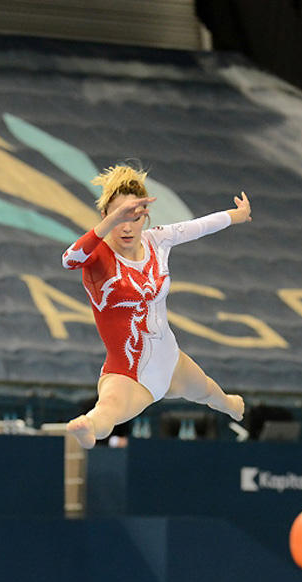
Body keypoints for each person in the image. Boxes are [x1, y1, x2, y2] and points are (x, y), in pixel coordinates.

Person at [62, 164, 248, 449]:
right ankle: (87, 428)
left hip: (170, 359)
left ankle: (231, 405)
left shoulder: (157, 240)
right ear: (106, 217)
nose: (126, 226)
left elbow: (197, 227)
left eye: (134, 218)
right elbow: (69, 259)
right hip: (129, 373)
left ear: (144, 216)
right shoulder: (98, 255)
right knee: (107, 410)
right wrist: (107, 224)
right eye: (118, 217)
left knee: (208, 391)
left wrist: (236, 216)